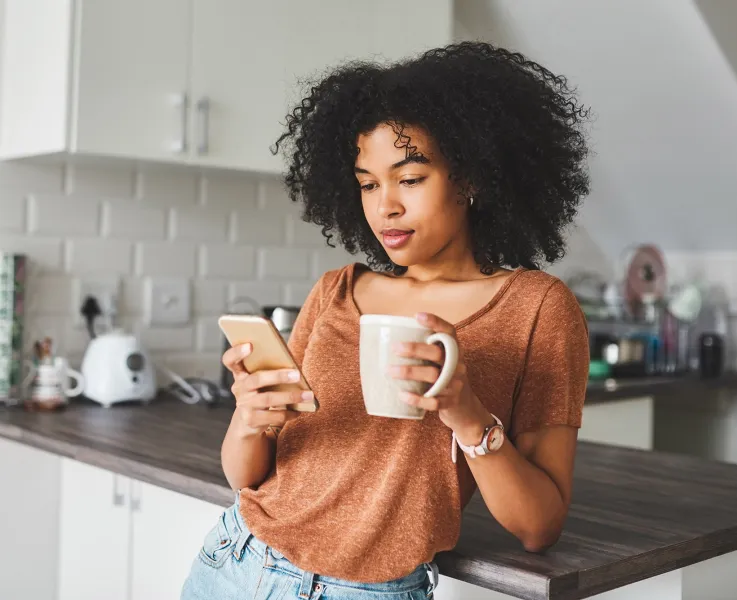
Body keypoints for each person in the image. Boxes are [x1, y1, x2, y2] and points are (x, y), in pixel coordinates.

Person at [181, 41, 591, 600]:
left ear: (469, 177)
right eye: (369, 183)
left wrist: (465, 413)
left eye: (411, 178)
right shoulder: (335, 291)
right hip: (235, 561)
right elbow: (248, 477)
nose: (385, 207)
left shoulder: (537, 308)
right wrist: (250, 417)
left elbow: (539, 526)